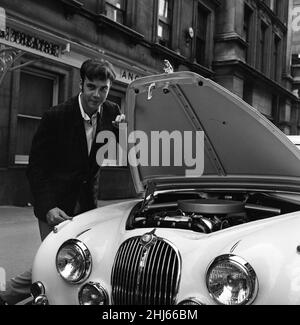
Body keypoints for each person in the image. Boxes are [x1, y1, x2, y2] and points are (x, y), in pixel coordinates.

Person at [0, 58, 125, 305]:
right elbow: (36, 168)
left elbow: (134, 149)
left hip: (87, 204)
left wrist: (131, 130)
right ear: (81, 84)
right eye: (91, 87)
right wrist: (47, 208)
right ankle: (6, 295)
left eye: (103, 89)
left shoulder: (112, 113)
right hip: (54, 203)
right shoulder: (55, 117)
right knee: (55, 262)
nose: (96, 95)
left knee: (77, 263)